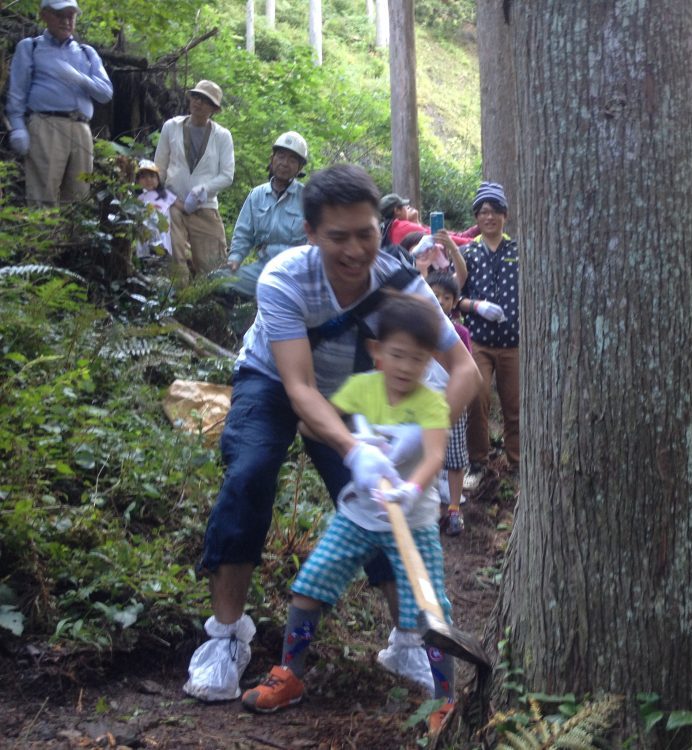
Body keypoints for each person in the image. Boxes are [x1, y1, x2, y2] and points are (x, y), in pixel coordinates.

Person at [182, 164, 479, 706]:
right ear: (311, 233)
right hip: (274, 381)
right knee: (249, 475)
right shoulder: (284, 279)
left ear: (379, 229)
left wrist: (414, 441)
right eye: (337, 236)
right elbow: (299, 390)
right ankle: (225, 639)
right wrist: (352, 450)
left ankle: (408, 640)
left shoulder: (402, 285)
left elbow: (465, 372)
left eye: (365, 234)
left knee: (385, 503)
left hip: (360, 397)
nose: (354, 250)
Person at [240, 293, 457, 732]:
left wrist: (409, 490)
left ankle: (445, 699)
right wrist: (356, 447)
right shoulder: (360, 389)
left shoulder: (432, 402)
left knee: (431, 609)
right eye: (395, 355)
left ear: (430, 360)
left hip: (411, 523)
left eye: (416, 359)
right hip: (356, 516)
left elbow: (434, 457)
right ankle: (290, 674)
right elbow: (313, 420)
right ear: (376, 352)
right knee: (310, 586)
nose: (404, 367)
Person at [5, 0, 113, 205]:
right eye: (60, 15)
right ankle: (43, 237)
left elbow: (105, 93)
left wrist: (81, 78)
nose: (66, 21)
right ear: (45, 15)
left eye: (71, 16)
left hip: (82, 128)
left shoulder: (86, 52)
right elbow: (17, 94)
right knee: (42, 194)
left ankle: (73, 238)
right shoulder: (31, 47)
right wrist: (18, 128)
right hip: (46, 125)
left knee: (79, 198)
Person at [455, 182, 519, 489]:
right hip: (478, 341)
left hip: (514, 343)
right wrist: (476, 306)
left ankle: (517, 461)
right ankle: (477, 462)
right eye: (482, 212)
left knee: (515, 402)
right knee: (476, 400)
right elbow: (454, 297)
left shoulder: (518, 251)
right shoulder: (468, 253)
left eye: (494, 211)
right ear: (476, 218)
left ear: (504, 215)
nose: (488, 217)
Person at [153, 80, 234, 285]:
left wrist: (203, 189)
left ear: (214, 109)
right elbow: (159, 168)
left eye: (205, 101)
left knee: (213, 266)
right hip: (173, 203)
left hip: (204, 206)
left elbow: (227, 175)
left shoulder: (222, 136)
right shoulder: (171, 127)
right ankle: (175, 299)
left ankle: (207, 303)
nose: (198, 103)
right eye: (196, 97)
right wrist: (160, 198)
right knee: (174, 258)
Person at [223, 131, 310, 298]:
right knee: (217, 281)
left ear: (300, 167)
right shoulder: (257, 195)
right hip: (263, 268)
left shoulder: (307, 197)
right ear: (272, 159)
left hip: (296, 272)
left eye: (293, 159)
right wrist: (235, 259)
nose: (285, 163)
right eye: (281, 156)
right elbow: (243, 233)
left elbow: (317, 240)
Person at [426, 271, 472, 536]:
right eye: (434, 296)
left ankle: (454, 507)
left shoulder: (460, 333)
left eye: (446, 297)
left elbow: (466, 369)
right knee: (427, 457)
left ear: (454, 302)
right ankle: (430, 510)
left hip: (453, 400)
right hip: (423, 404)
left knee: (454, 459)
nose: (440, 301)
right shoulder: (418, 331)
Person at [378, 193, 476, 249]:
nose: (408, 207)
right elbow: (439, 237)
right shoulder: (402, 226)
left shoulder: (386, 228)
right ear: (397, 210)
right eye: (404, 206)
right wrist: (475, 243)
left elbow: (454, 235)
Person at [134, 159, 175, 260]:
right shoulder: (139, 198)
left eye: (152, 176)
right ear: (138, 181)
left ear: (158, 178)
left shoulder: (165, 195)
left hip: (163, 232)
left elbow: (180, 206)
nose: (148, 180)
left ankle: (161, 253)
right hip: (145, 233)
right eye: (143, 177)